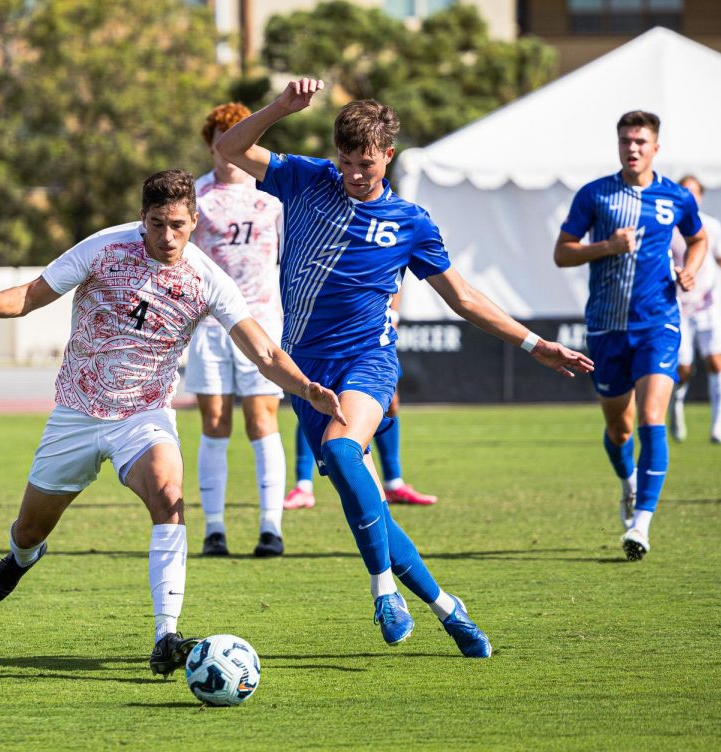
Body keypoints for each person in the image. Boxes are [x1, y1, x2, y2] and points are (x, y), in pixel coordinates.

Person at [217, 78, 592, 658]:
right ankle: (447, 606)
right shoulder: (307, 179)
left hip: (368, 360)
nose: (353, 173)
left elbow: (462, 297)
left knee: (345, 455)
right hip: (305, 372)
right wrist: (281, 109)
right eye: (345, 161)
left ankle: (383, 590)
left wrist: (532, 343)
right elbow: (230, 150)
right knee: (363, 505)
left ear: (387, 155)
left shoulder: (410, 221)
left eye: (365, 163)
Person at [0, 170, 344, 678]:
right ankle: (22, 557)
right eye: (157, 224)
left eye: (178, 225)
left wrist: (306, 388)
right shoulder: (103, 248)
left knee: (168, 495)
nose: (167, 237)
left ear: (194, 221)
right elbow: (32, 294)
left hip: (144, 415)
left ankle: (166, 635)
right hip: (77, 410)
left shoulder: (207, 279)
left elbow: (264, 349)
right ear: (142, 218)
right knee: (30, 529)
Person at [554, 111, 707, 562]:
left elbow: (697, 240)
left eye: (640, 141)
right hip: (606, 327)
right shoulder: (596, 194)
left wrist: (690, 271)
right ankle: (628, 484)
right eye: (625, 141)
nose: (632, 148)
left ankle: (641, 523)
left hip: (658, 322)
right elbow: (562, 253)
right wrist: (606, 246)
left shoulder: (676, 196)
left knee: (652, 418)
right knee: (619, 429)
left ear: (656, 148)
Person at [184, 102, 287, 558]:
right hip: (209, 326)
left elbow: (286, 263)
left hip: (262, 322)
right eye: (220, 140)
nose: (229, 151)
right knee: (214, 422)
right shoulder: (196, 200)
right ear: (210, 145)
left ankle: (271, 527)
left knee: (262, 420)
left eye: (239, 138)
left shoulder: (272, 200)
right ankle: (215, 529)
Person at [285, 296, 438, 509]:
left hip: (373, 333)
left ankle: (394, 483)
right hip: (328, 331)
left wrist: (392, 315)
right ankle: (303, 486)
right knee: (317, 397)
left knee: (390, 402)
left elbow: (397, 274)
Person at [668, 175, 721, 446]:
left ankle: (717, 428)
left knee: (716, 362)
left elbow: (718, 254)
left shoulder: (711, 225)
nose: (690, 195)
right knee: (683, 368)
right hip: (679, 307)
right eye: (684, 191)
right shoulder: (668, 226)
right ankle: (676, 404)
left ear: (700, 196)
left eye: (694, 191)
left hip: (708, 305)